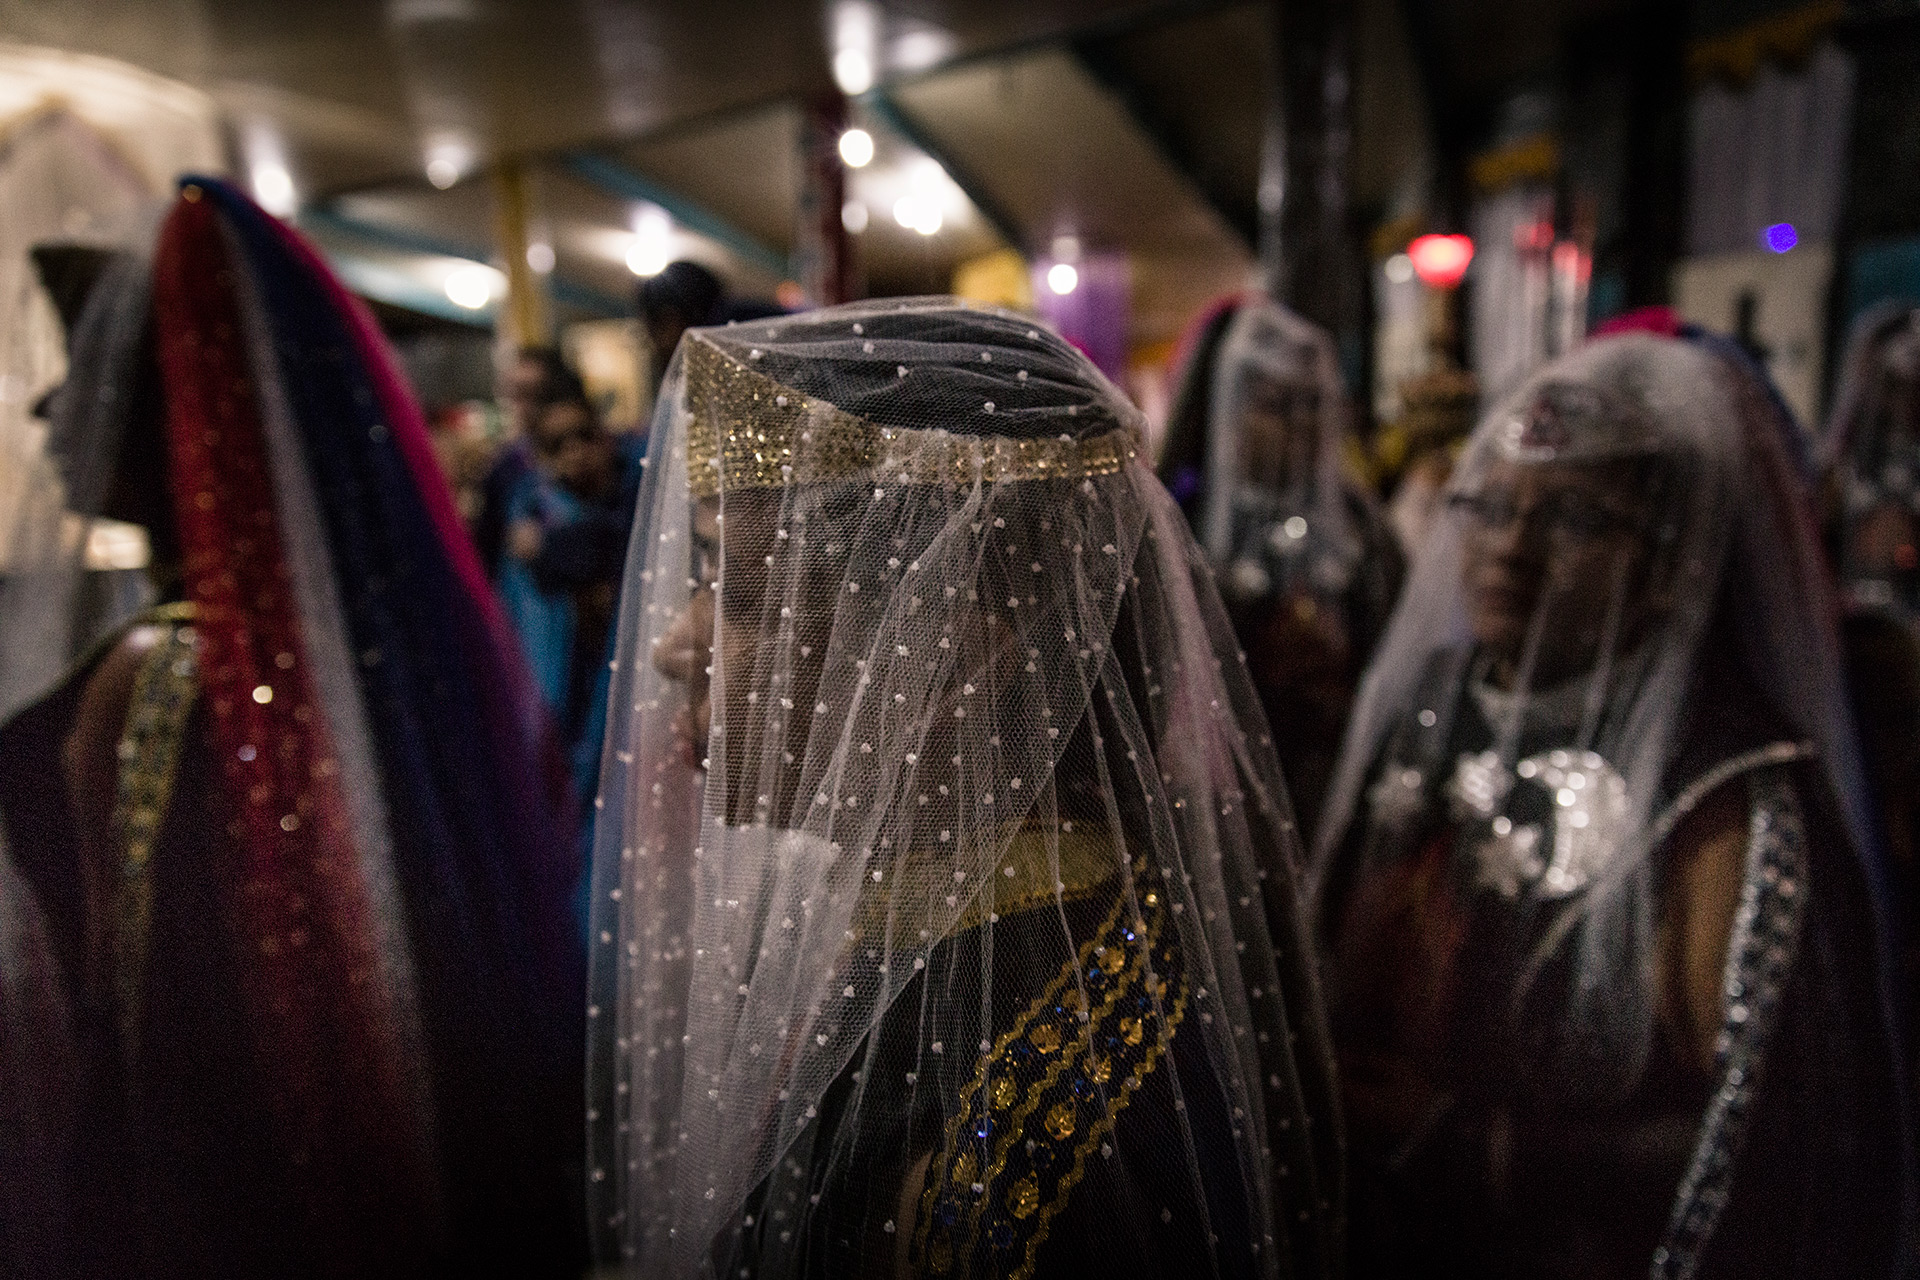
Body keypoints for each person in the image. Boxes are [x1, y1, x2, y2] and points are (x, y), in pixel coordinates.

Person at [586, 300, 1344, 1279]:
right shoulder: (919, 910)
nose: (671, 645)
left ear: (951, 644)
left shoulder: (1010, 1161)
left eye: (734, 588)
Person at [0, 178, 584, 1277]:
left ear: (169, 409)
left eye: (86, 374)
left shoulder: (161, 674)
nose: (47, 414)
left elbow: (139, 1018)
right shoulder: (333, 660)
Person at [1311, 333, 1912, 1277]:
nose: (1512, 549)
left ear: (1672, 561)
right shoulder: (1426, 702)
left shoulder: (1726, 786)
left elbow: (1776, 1136)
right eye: (1494, 508)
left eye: (1577, 520)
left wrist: (1477, 1147)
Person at [1162, 297, 1403, 836]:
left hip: (1327, 780)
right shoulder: (1181, 515)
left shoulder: (1362, 527)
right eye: (1273, 405)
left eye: (1310, 404)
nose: (1296, 425)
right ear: (1228, 407)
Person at [498, 391, 645, 795]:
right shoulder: (534, 506)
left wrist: (549, 549)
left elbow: (612, 545)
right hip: (566, 683)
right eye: (558, 444)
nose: (575, 452)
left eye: (583, 436)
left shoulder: (636, 496)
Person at [637, 259, 784, 385]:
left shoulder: (734, 349)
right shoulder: (738, 321)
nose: (653, 343)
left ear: (670, 318)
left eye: (652, 330)